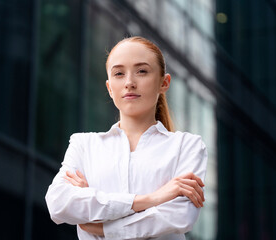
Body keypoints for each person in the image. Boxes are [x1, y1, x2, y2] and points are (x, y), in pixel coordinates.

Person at [45, 36, 208, 240]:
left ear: (164, 83)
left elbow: (179, 217)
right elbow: (58, 203)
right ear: (109, 88)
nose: (130, 83)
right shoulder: (84, 145)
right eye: (119, 73)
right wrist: (152, 199)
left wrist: (104, 227)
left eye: (142, 71)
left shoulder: (187, 146)